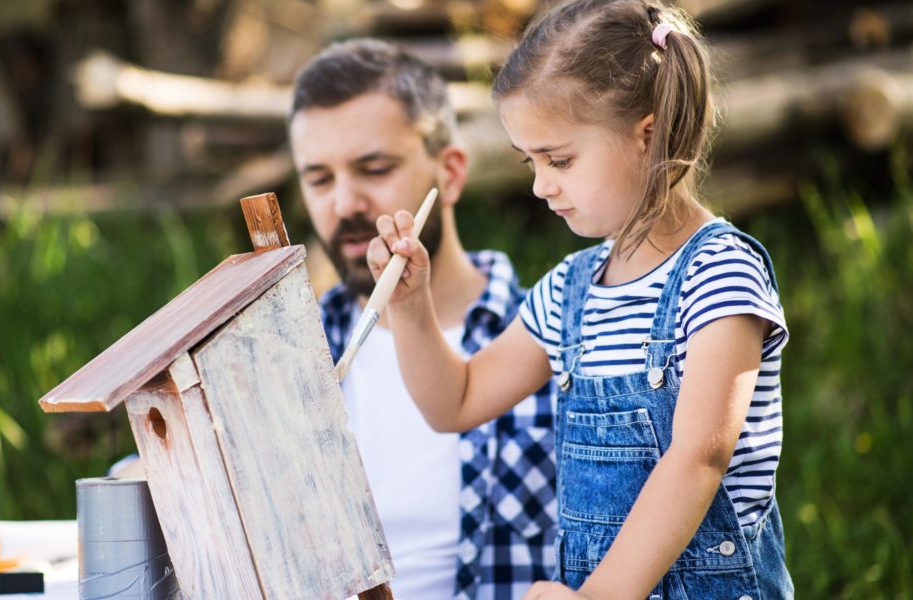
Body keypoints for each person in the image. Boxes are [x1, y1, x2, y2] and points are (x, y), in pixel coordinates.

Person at [365, 1, 794, 598]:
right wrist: (411, 307)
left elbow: (698, 458)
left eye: (559, 159)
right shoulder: (569, 291)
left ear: (647, 135)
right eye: (530, 162)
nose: (541, 185)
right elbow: (455, 402)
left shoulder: (719, 273)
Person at [287, 40, 558, 600]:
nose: (343, 203)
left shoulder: (554, 334)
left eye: (375, 168)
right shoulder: (286, 354)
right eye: (318, 178)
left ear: (451, 173)